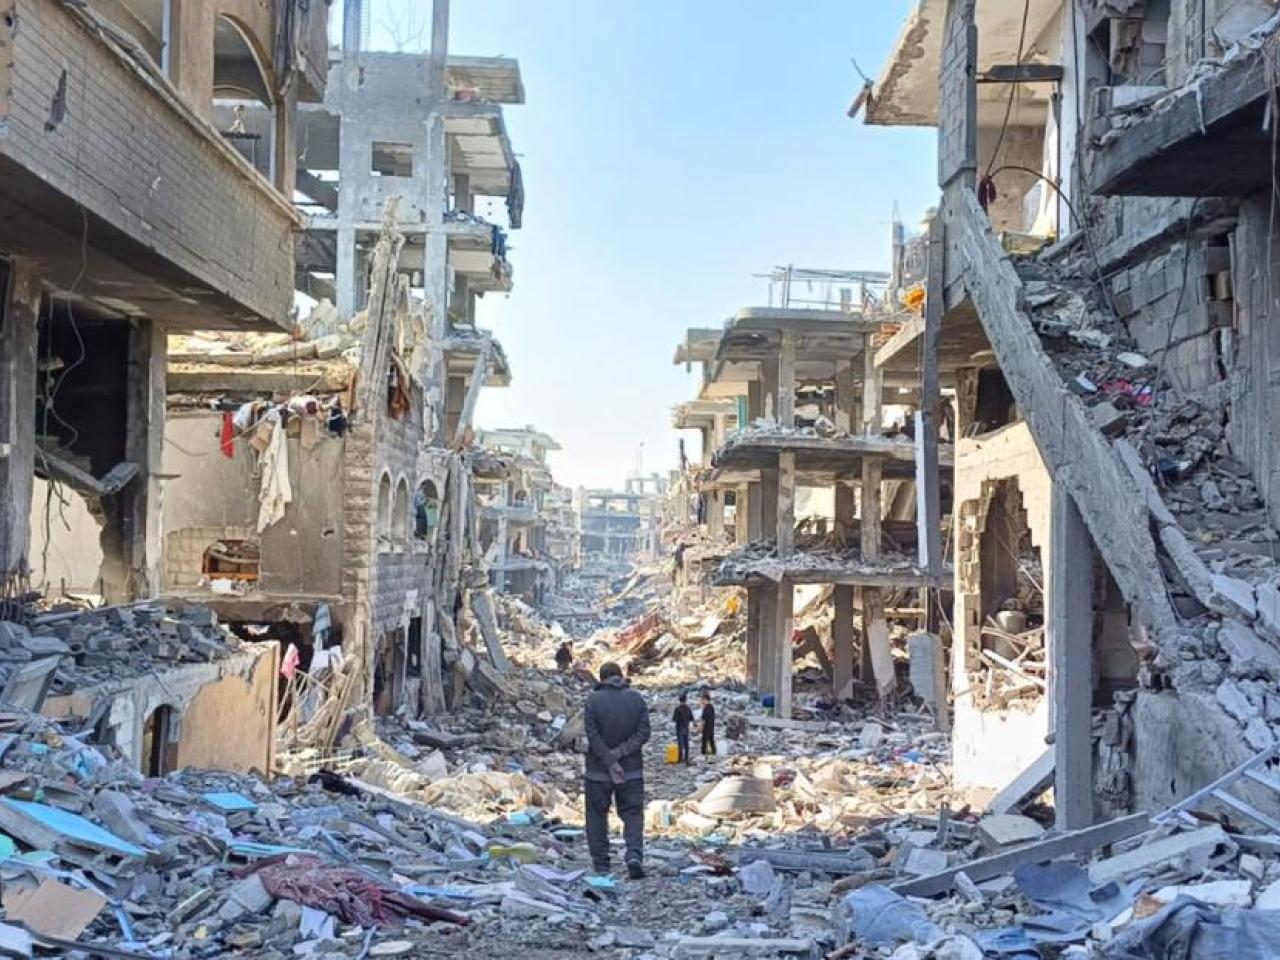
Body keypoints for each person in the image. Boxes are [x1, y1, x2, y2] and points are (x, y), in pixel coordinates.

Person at [583, 661, 650, 879]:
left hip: (598, 772)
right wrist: (621, 753)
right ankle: (633, 855)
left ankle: (602, 864)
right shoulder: (636, 699)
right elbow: (644, 733)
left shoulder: (593, 701)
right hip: (631, 771)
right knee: (632, 814)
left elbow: (593, 737)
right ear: (620, 677)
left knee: (597, 816)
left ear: (601, 679)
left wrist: (610, 760)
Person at [672, 692, 694, 765]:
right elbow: (691, 718)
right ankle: (686, 759)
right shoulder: (688, 708)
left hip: (679, 728)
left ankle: (679, 759)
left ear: (679, 700)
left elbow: (674, 719)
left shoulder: (677, 709)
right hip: (686, 727)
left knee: (680, 744)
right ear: (685, 700)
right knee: (686, 744)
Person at [699, 688, 717, 757]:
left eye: (703, 700)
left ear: (706, 700)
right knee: (711, 739)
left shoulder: (706, 708)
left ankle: (703, 753)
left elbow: (704, 719)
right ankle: (714, 752)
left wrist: (701, 727)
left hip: (706, 727)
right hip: (711, 726)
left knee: (704, 740)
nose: (702, 701)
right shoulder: (712, 707)